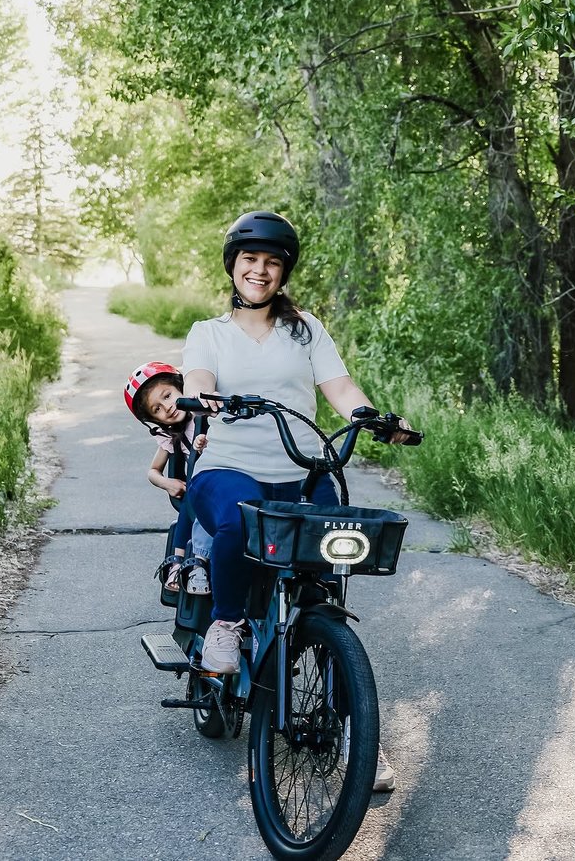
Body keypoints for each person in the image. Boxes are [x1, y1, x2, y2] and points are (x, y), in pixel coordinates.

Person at [182, 210, 412, 791]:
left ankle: (357, 736)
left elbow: (337, 386)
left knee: (327, 578)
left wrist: (366, 416)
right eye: (250, 260)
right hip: (229, 464)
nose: (259, 271)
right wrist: (209, 401)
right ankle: (227, 628)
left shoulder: (305, 328)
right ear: (233, 266)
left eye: (272, 262)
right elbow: (198, 382)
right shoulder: (208, 332)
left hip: (301, 466)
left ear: (284, 273)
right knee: (239, 525)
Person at [124, 361, 212, 595]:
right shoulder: (172, 435)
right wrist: (168, 483)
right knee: (192, 495)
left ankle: (188, 560)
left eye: (168, 396)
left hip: (222, 479)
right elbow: (153, 471)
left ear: (180, 386)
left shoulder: (203, 413)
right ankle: (180, 562)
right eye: (157, 409)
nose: (167, 408)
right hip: (198, 491)